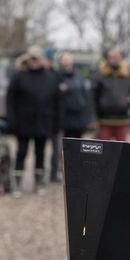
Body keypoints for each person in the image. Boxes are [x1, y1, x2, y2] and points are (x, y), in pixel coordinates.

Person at [6, 45, 60, 196]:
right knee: (21, 153)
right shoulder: (19, 77)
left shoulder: (51, 77)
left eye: (37, 58)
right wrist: (12, 121)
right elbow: (10, 101)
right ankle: (17, 183)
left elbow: (58, 102)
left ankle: (39, 182)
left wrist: (57, 123)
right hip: (23, 123)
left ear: (42, 59)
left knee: (40, 154)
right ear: (28, 59)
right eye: (32, 58)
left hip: (44, 123)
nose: (34, 61)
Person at [49, 52, 91, 183]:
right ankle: (56, 173)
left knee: (77, 148)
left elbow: (85, 96)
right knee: (60, 149)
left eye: (69, 61)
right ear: (61, 63)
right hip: (62, 119)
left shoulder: (79, 77)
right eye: (64, 62)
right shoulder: (56, 77)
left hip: (78, 119)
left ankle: (75, 172)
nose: (67, 64)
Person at [92, 46, 130, 141]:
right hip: (104, 120)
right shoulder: (100, 74)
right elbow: (93, 95)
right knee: (104, 150)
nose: (115, 59)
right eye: (112, 57)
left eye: (117, 57)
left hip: (123, 119)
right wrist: (93, 117)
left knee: (122, 150)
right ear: (107, 58)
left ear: (120, 58)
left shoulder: (128, 73)